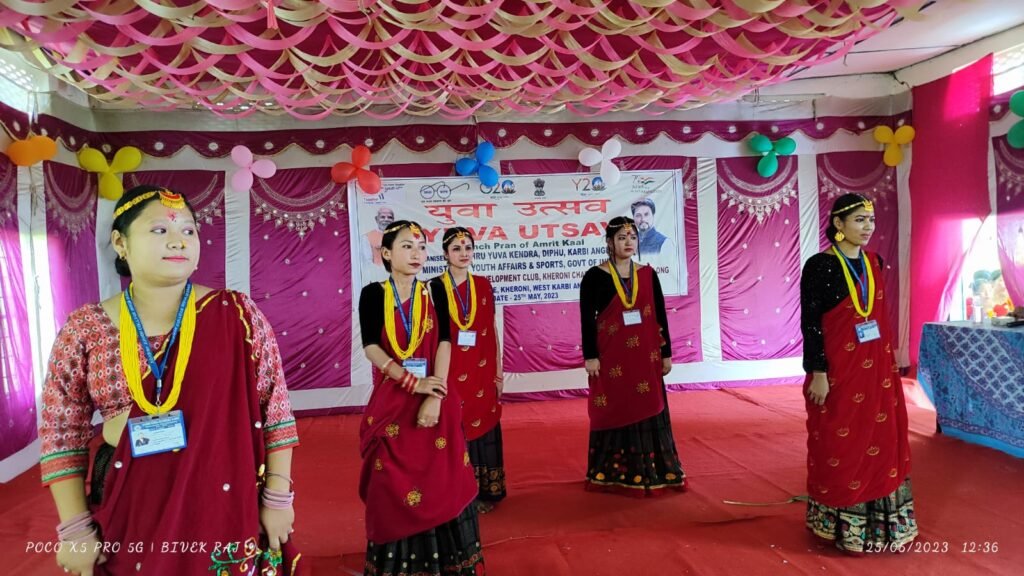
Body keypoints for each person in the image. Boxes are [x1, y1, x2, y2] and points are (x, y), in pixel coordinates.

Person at [39, 185, 300, 575]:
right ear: (120, 243)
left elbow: (275, 410)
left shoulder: (237, 315)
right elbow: (61, 433)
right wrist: (75, 529)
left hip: (223, 498)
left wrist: (278, 497)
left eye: (188, 230)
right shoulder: (85, 328)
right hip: (128, 503)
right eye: (159, 230)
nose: (179, 241)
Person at [358, 220, 485, 575]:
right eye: (407, 246)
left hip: (436, 396)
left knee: (442, 479)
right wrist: (413, 383)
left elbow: (445, 341)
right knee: (389, 477)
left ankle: (446, 560)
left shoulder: (435, 292)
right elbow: (371, 347)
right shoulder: (373, 295)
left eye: (421, 247)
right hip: (394, 400)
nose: (417, 254)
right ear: (386, 253)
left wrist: (435, 394)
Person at [800, 193, 917, 554]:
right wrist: (818, 372)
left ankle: (880, 521)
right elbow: (811, 324)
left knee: (881, 436)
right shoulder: (820, 266)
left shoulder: (875, 262)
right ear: (838, 224)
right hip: (839, 369)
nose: (868, 227)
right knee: (839, 438)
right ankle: (841, 521)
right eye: (859, 220)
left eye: (871, 220)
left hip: (877, 369)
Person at [578, 216, 685, 496]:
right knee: (615, 406)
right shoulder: (594, 276)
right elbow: (587, 320)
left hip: (645, 357)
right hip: (612, 356)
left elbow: (660, 315)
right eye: (622, 238)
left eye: (633, 237)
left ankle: (652, 470)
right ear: (609, 242)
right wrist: (590, 356)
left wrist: (666, 354)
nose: (628, 242)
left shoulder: (648, 275)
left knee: (648, 403)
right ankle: (612, 472)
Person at [430, 227, 506, 514]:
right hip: (448, 368)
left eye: (468, 248)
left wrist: (498, 373)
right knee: (452, 427)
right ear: (445, 254)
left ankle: (484, 491)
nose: (464, 254)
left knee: (483, 423)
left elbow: (491, 329)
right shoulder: (433, 287)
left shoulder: (483, 285)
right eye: (457, 249)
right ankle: (455, 493)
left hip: (481, 370)